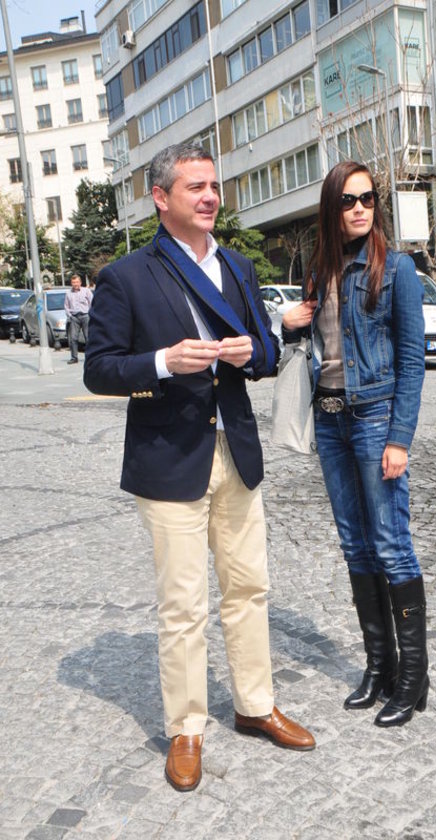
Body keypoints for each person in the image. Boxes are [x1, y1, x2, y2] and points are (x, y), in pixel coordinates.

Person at [84, 143, 315, 793]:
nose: (211, 196)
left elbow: (266, 354)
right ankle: (186, 728)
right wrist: (164, 362)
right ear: (161, 199)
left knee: (249, 587)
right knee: (184, 604)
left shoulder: (238, 267)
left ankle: (256, 705)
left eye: (214, 185)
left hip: (235, 451)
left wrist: (250, 353)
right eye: (196, 187)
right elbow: (99, 369)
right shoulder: (127, 276)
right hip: (168, 456)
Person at [282, 161, 428, 728]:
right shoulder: (319, 270)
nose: (361, 208)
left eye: (368, 198)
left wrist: (400, 439)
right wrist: (289, 324)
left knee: (391, 544)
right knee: (355, 546)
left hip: (374, 418)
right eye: (349, 200)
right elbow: (311, 348)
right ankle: (379, 667)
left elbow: (412, 360)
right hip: (330, 420)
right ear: (331, 207)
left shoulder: (397, 269)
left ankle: (413, 677)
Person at [64, 273, 92, 364]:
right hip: (74, 317)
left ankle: (90, 357)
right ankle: (74, 357)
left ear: (80, 282)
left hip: (85, 316)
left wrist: (90, 314)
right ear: (71, 283)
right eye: (73, 282)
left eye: (77, 282)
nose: (75, 284)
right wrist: (70, 315)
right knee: (73, 338)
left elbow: (92, 302)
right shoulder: (68, 293)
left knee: (88, 338)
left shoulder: (86, 291)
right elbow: (66, 306)